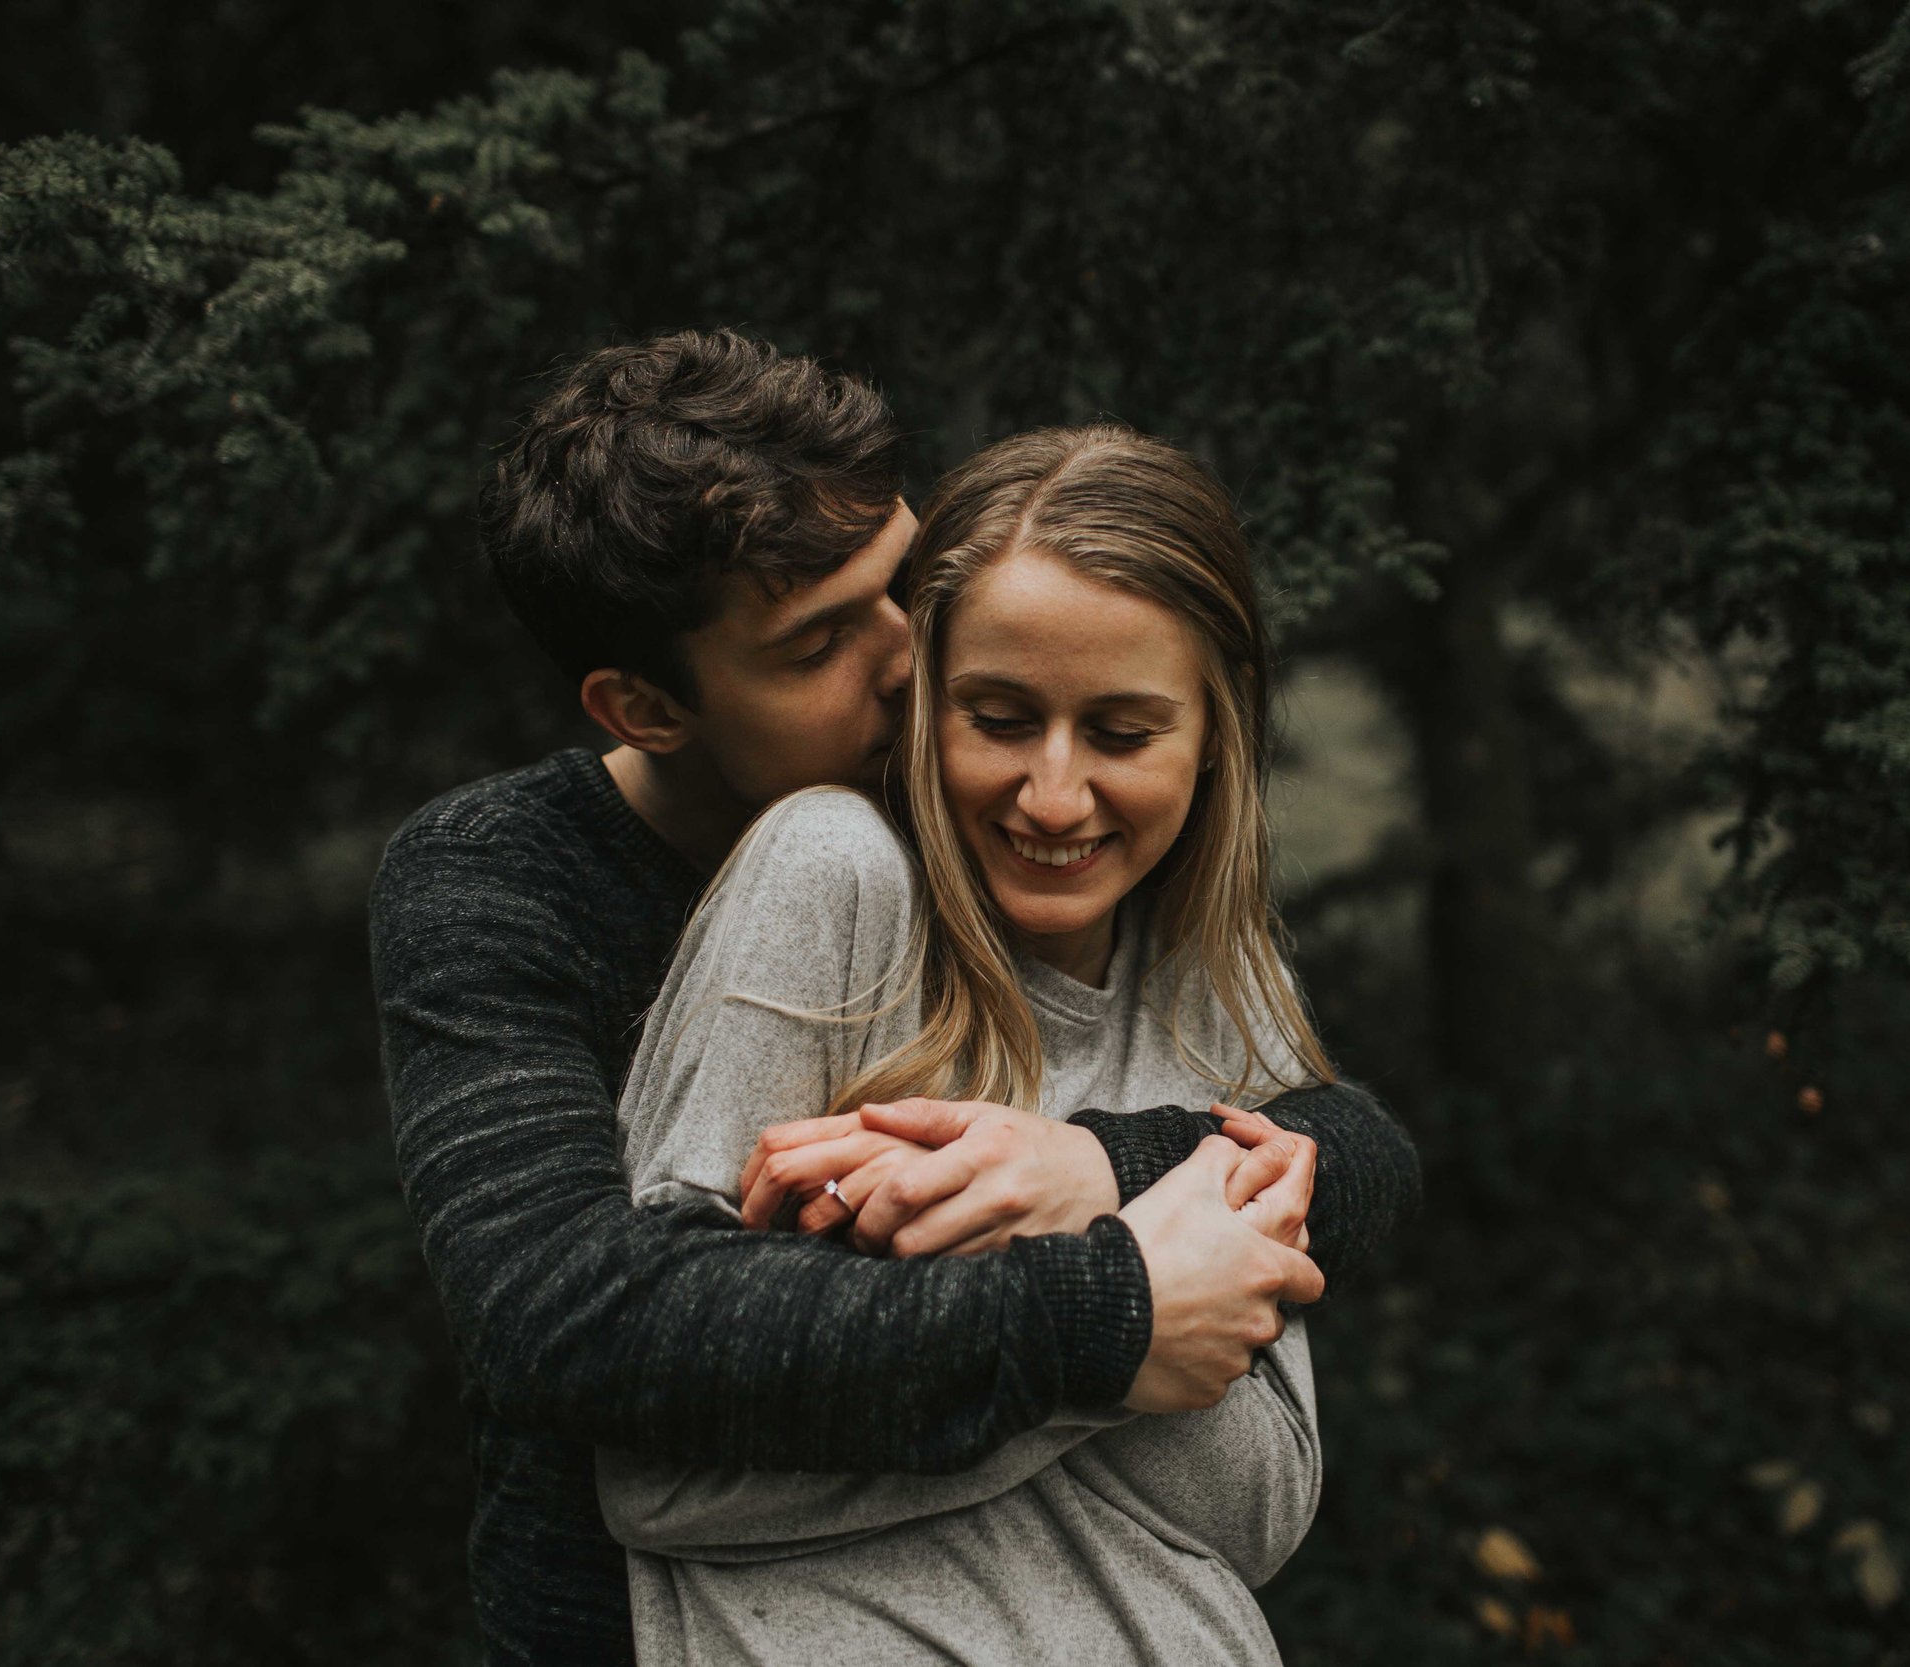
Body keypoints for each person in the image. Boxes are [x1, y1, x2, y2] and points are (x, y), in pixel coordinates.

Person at [368, 330, 1421, 1664]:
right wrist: (1114, 1304)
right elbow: (569, 1315)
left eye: (904, 585)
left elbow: (1350, 1142)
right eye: (818, 638)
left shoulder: (1015, 819)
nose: (907, 655)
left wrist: (1100, 1164)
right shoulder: (504, 885)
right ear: (644, 704)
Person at [599, 425, 1341, 1664]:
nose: (1053, 795)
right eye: (998, 717)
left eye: (1121, 732)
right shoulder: (829, 880)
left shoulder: (1229, 983)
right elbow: (660, 1478)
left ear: (1215, 732)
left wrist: (1065, 1200)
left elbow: (1258, 1511)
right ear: (921, 701)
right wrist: (1123, 1304)